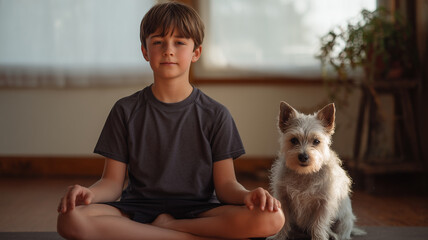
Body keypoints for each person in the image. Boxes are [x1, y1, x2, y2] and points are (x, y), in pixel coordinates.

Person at [56, 2, 285, 239]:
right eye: (158, 42)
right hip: (137, 209)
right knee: (70, 218)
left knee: (272, 218)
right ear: (145, 51)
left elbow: (226, 186)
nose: (168, 50)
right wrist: (89, 193)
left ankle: (158, 232)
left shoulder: (216, 114)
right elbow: (112, 183)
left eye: (179, 42)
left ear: (196, 52)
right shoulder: (125, 110)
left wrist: (247, 195)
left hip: (200, 211)